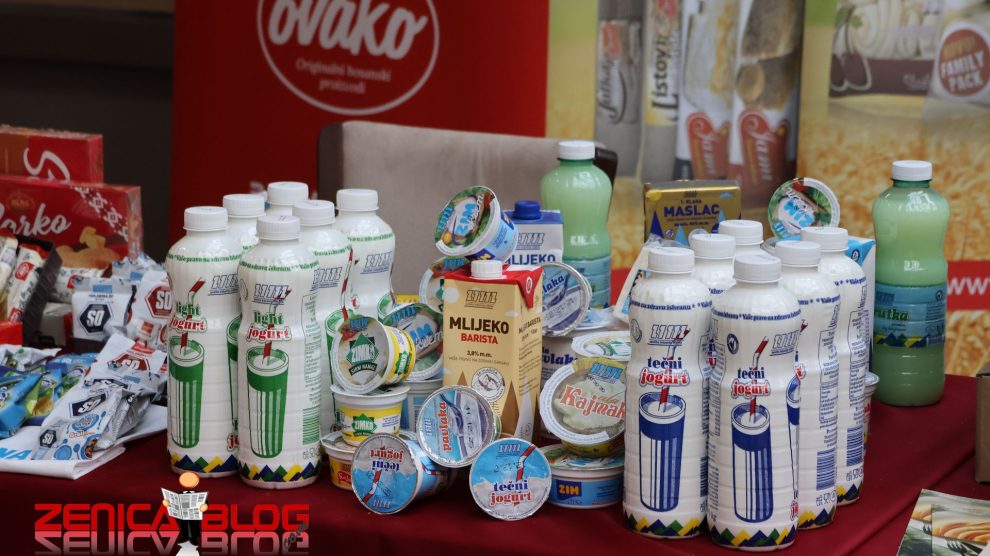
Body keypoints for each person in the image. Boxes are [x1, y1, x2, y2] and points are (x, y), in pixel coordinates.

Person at [162, 472, 208, 546]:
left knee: (195, 525)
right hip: (182, 513)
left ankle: (194, 538)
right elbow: (173, 502)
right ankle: (185, 536)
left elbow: (205, 502)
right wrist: (167, 503)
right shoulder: (179, 493)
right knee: (184, 525)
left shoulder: (199, 493)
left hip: (194, 513)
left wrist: (204, 506)